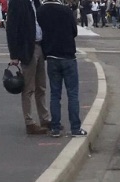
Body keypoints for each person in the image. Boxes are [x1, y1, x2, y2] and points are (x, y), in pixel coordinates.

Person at [39, 0, 87, 137]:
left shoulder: (41, 11)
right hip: (67, 55)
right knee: (72, 94)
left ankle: (55, 127)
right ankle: (75, 128)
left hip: (51, 56)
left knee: (55, 94)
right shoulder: (66, 11)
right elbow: (74, 31)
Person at [7, 0, 50, 134]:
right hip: (27, 49)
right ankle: (29, 121)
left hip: (40, 46)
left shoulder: (37, 3)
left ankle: (45, 118)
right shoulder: (17, 3)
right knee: (28, 87)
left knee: (41, 86)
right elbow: (12, 28)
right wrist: (14, 54)